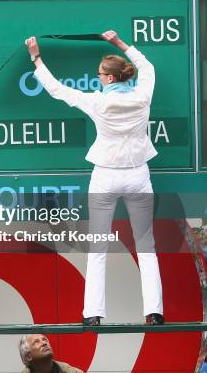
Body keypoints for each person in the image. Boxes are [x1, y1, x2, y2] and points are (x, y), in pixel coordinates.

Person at [24, 31, 164, 326]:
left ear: (111, 78)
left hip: (105, 176)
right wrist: (119, 44)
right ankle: (154, 311)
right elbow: (148, 68)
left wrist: (36, 58)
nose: (98, 77)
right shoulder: (143, 95)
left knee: (97, 246)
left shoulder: (98, 103)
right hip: (139, 175)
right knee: (146, 244)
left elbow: (57, 90)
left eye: (101, 73)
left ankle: (93, 315)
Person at [18, 334, 84, 373]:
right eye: (36, 342)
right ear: (28, 356)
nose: (44, 343)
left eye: (45, 339)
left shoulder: (69, 371)